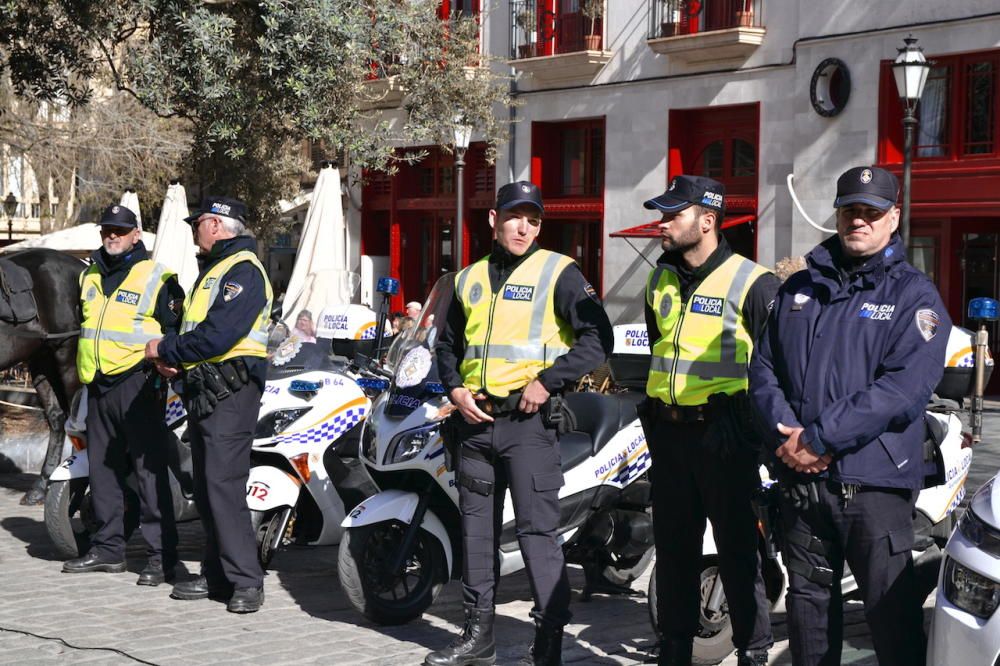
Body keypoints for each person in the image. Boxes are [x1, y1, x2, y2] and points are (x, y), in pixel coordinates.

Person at [749, 166, 950, 666]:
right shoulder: (797, 289)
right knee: (808, 613)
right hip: (802, 484)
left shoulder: (913, 296)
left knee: (890, 617)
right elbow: (763, 369)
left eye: (870, 212)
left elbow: (902, 390)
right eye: (849, 210)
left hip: (873, 488)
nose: (858, 221)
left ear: (893, 217)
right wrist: (787, 438)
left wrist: (818, 440)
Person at [429, 181, 613, 666]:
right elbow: (445, 346)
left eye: (533, 219)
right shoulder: (466, 279)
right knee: (476, 534)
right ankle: (477, 636)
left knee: (537, 536)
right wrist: (455, 389)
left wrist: (548, 382)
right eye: (515, 216)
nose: (524, 227)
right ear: (493, 219)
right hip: (474, 424)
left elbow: (599, 337)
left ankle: (549, 641)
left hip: (529, 426)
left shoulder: (559, 272)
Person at [640, 175, 778, 666]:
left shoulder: (754, 283)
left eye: (673, 215)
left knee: (739, 554)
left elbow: (777, 367)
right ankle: (674, 650)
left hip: (725, 437)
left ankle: (753, 652)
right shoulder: (660, 278)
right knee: (674, 551)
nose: (663, 223)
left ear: (707, 220)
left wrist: (760, 438)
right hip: (669, 436)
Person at [144, 196, 273, 614]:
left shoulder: (242, 271)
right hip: (206, 390)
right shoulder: (217, 269)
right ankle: (218, 575)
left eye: (198, 224)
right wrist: (176, 365)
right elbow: (201, 336)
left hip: (231, 394)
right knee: (207, 487)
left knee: (223, 487)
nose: (194, 231)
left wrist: (164, 347)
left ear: (216, 225)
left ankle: (247, 582)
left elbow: (217, 337)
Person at [62, 203, 183, 586]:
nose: (111, 236)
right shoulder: (90, 275)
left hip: (139, 383)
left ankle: (160, 558)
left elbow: (175, 330)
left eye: (119, 230)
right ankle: (108, 549)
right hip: (98, 385)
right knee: (104, 470)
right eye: (106, 230)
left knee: (149, 474)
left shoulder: (157, 276)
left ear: (136, 235)